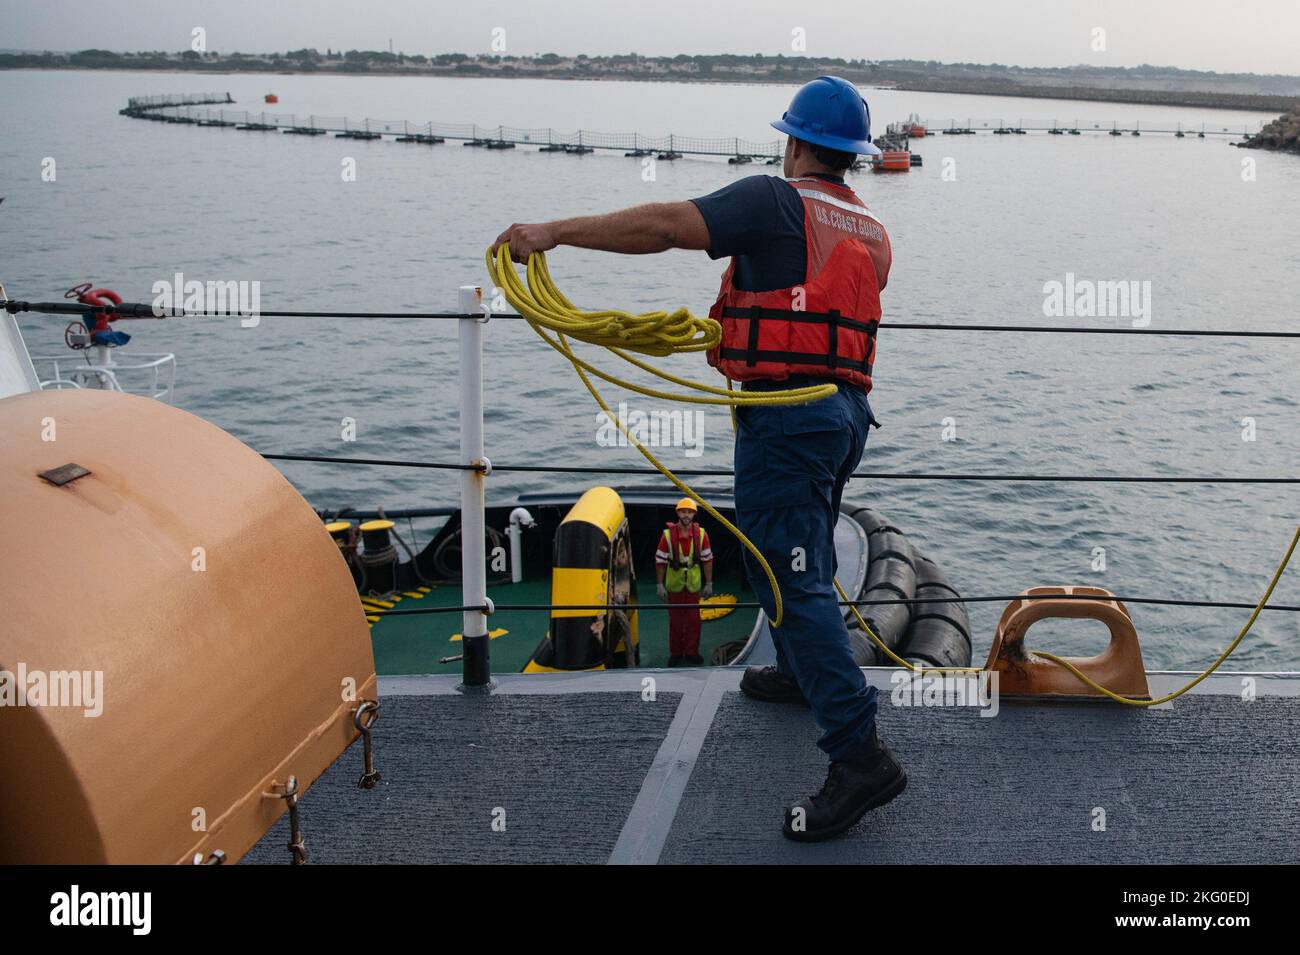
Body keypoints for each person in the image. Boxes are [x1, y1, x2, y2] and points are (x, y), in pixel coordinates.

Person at [492, 76, 904, 842]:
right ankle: (793, 669)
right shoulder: (871, 227)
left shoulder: (775, 200)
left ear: (794, 142)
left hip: (787, 421)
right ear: (852, 155)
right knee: (797, 555)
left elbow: (664, 225)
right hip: (845, 416)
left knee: (794, 577)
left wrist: (554, 232)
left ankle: (860, 756)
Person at [654, 498, 714, 666]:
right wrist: (659, 585)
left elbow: (707, 559)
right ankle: (676, 653)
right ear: (677, 513)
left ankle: (692, 652)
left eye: (689, 512)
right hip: (675, 585)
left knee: (694, 620)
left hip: (693, 585)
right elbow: (660, 561)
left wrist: (709, 583)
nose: (686, 515)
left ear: (694, 514)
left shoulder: (702, 535)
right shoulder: (667, 536)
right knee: (676, 621)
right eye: (683, 511)